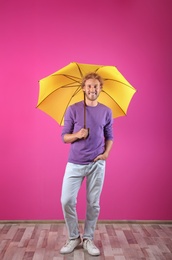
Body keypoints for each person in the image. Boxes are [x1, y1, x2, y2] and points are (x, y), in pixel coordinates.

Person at [60, 72, 114, 256]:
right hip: (75, 163)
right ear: (83, 88)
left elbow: (110, 136)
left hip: (96, 164)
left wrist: (106, 154)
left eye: (95, 86)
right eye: (89, 86)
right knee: (66, 200)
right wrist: (77, 135)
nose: (92, 89)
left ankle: (88, 238)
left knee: (93, 203)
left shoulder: (106, 111)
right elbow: (64, 137)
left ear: (100, 89)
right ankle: (74, 237)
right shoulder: (73, 109)